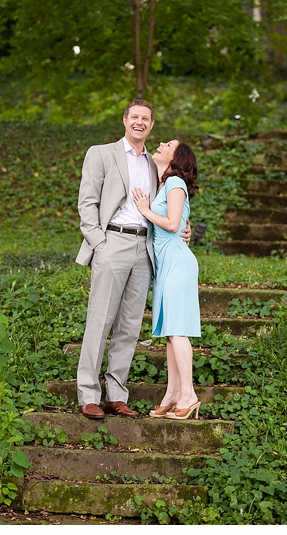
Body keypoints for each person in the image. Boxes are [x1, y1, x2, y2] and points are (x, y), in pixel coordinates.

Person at [73, 100, 190, 420]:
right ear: (125, 121)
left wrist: (185, 225)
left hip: (145, 248)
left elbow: (170, 203)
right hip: (112, 242)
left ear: (151, 126)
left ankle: (116, 394)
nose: (140, 122)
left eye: (146, 119)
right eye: (134, 117)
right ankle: (88, 394)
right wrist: (99, 243)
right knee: (100, 321)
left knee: (129, 326)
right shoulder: (100, 153)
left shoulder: (155, 164)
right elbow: (87, 203)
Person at [133, 139, 201, 420]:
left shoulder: (175, 184)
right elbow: (181, 222)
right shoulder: (164, 184)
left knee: (178, 330)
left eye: (168, 144)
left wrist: (145, 211)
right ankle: (173, 393)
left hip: (177, 263)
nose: (160, 144)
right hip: (166, 266)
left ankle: (189, 394)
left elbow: (173, 224)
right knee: (170, 335)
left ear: (177, 158)